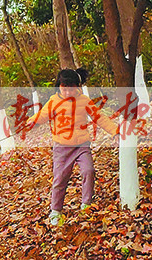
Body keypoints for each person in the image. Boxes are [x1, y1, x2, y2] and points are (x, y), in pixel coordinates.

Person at [26, 68, 118, 226]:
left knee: (89, 171)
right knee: (60, 179)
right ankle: (56, 211)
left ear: (77, 86)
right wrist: (28, 123)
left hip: (82, 145)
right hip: (62, 148)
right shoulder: (54, 101)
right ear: (59, 86)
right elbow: (41, 116)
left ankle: (87, 204)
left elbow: (99, 118)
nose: (68, 91)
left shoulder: (84, 100)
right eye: (64, 87)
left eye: (71, 88)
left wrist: (114, 130)